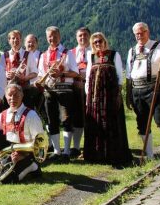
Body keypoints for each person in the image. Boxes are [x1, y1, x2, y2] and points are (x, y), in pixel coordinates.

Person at [125, 22, 160, 164]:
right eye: (137, 33)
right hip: (136, 90)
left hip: (154, 88)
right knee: (142, 123)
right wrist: (128, 95)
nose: (139, 35)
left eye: (142, 32)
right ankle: (149, 155)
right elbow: (128, 75)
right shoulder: (132, 51)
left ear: (147, 32)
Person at [0, 84, 44, 183]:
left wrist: (22, 156)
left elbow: (40, 143)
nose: (12, 98)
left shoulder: (31, 115)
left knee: (8, 180)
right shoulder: (4, 114)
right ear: (6, 96)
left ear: (22, 96)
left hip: (28, 154)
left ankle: (33, 166)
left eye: (16, 95)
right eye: (10, 95)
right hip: (11, 151)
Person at [84, 32, 132, 166]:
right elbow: (88, 77)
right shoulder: (91, 56)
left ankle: (112, 154)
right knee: (95, 124)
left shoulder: (114, 55)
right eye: (95, 42)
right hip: (94, 98)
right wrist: (88, 95)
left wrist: (118, 94)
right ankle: (96, 155)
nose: (98, 44)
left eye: (100, 41)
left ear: (105, 41)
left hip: (109, 96)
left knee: (111, 124)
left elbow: (119, 77)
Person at [36, 26, 78, 162]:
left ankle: (66, 151)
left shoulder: (68, 53)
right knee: (51, 120)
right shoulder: (43, 55)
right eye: (49, 36)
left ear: (59, 36)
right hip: (49, 90)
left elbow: (75, 73)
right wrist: (39, 81)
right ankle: (56, 151)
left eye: (54, 36)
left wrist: (62, 73)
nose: (52, 38)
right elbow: (41, 74)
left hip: (65, 89)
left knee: (66, 120)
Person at [0, 30, 38, 109]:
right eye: (13, 38)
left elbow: (35, 73)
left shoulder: (28, 54)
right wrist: (7, 74)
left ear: (21, 40)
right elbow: (0, 73)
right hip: (9, 92)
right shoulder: (4, 56)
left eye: (17, 38)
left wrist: (24, 77)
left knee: (26, 113)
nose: (15, 40)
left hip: (25, 91)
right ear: (9, 41)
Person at [69, 27, 91, 158]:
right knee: (76, 118)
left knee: (90, 117)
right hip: (75, 89)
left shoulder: (93, 51)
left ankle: (90, 145)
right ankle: (76, 147)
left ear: (89, 36)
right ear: (76, 38)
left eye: (85, 35)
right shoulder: (71, 53)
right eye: (80, 36)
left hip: (90, 88)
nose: (82, 38)